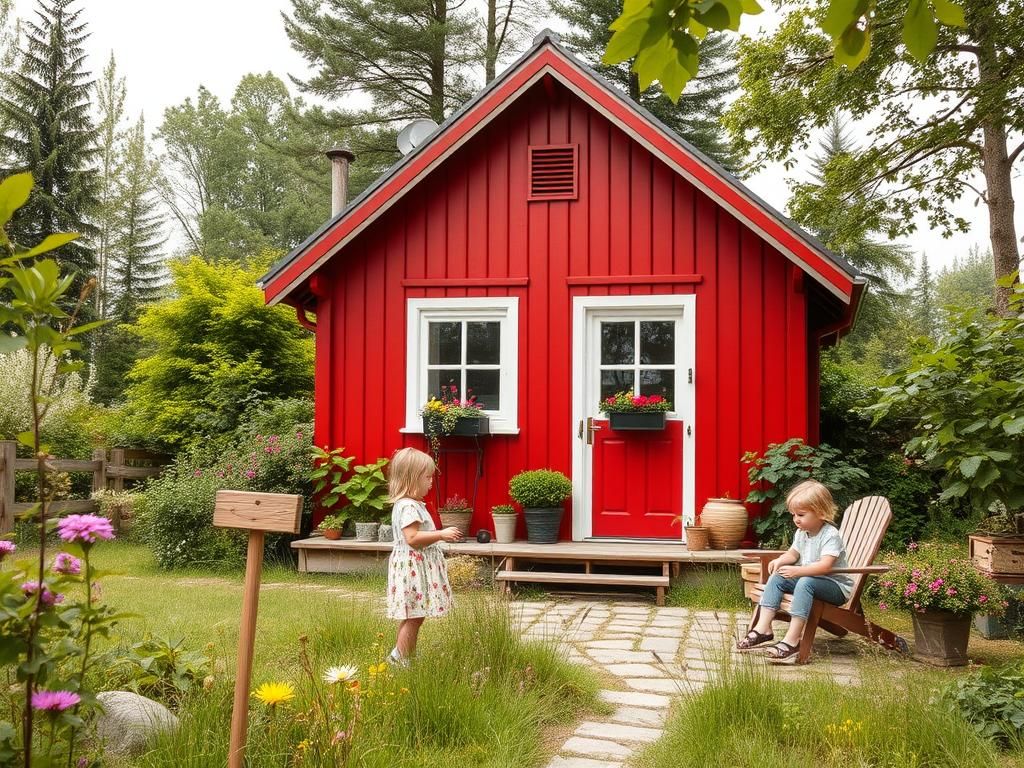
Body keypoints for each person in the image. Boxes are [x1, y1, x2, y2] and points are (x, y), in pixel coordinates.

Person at [735, 479, 853, 663]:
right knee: (778, 576)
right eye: (793, 514)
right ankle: (763, 628)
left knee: (805, 581)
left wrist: (798, 572)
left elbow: (826, 566)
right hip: (810, 581)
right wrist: (781, 560)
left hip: (835, 587)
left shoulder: (830, 535)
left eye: (801, 514)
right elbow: (793, 553)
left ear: (821, 512)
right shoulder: (802, 532)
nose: (796, 519)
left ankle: (793, 640)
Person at [385, 447, 462, 666]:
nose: (431, 482)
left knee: (413, 614)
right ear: (411, 479)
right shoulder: (409, 506)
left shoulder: (408, 504)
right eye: (427, 477)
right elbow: (412, 537)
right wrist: (441, 534)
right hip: (413, 568)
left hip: (410, 566)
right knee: (415, 615)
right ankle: (399, 658)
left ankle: (405, 653)